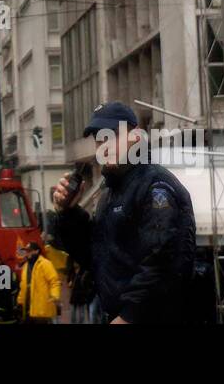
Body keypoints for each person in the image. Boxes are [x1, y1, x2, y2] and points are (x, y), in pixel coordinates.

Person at [52, 101, 197, 324]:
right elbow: (97, 257)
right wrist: (68, 212)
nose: (104, 145)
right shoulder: (110, 192)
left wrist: (129, 316)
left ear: (136, 136)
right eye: (99, 138)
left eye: (112, 135)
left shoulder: (155, 185)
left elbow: (163, 261)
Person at [16, 241, 61, 324]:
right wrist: (20, 302)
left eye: (29, 251)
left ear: (36, 251)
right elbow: (23, 286)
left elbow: (54, 281)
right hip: (28, 310)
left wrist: (55, 296)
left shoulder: (45, 264)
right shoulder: (26, 266)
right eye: (26, 251)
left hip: (41, 311)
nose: (27, 253)